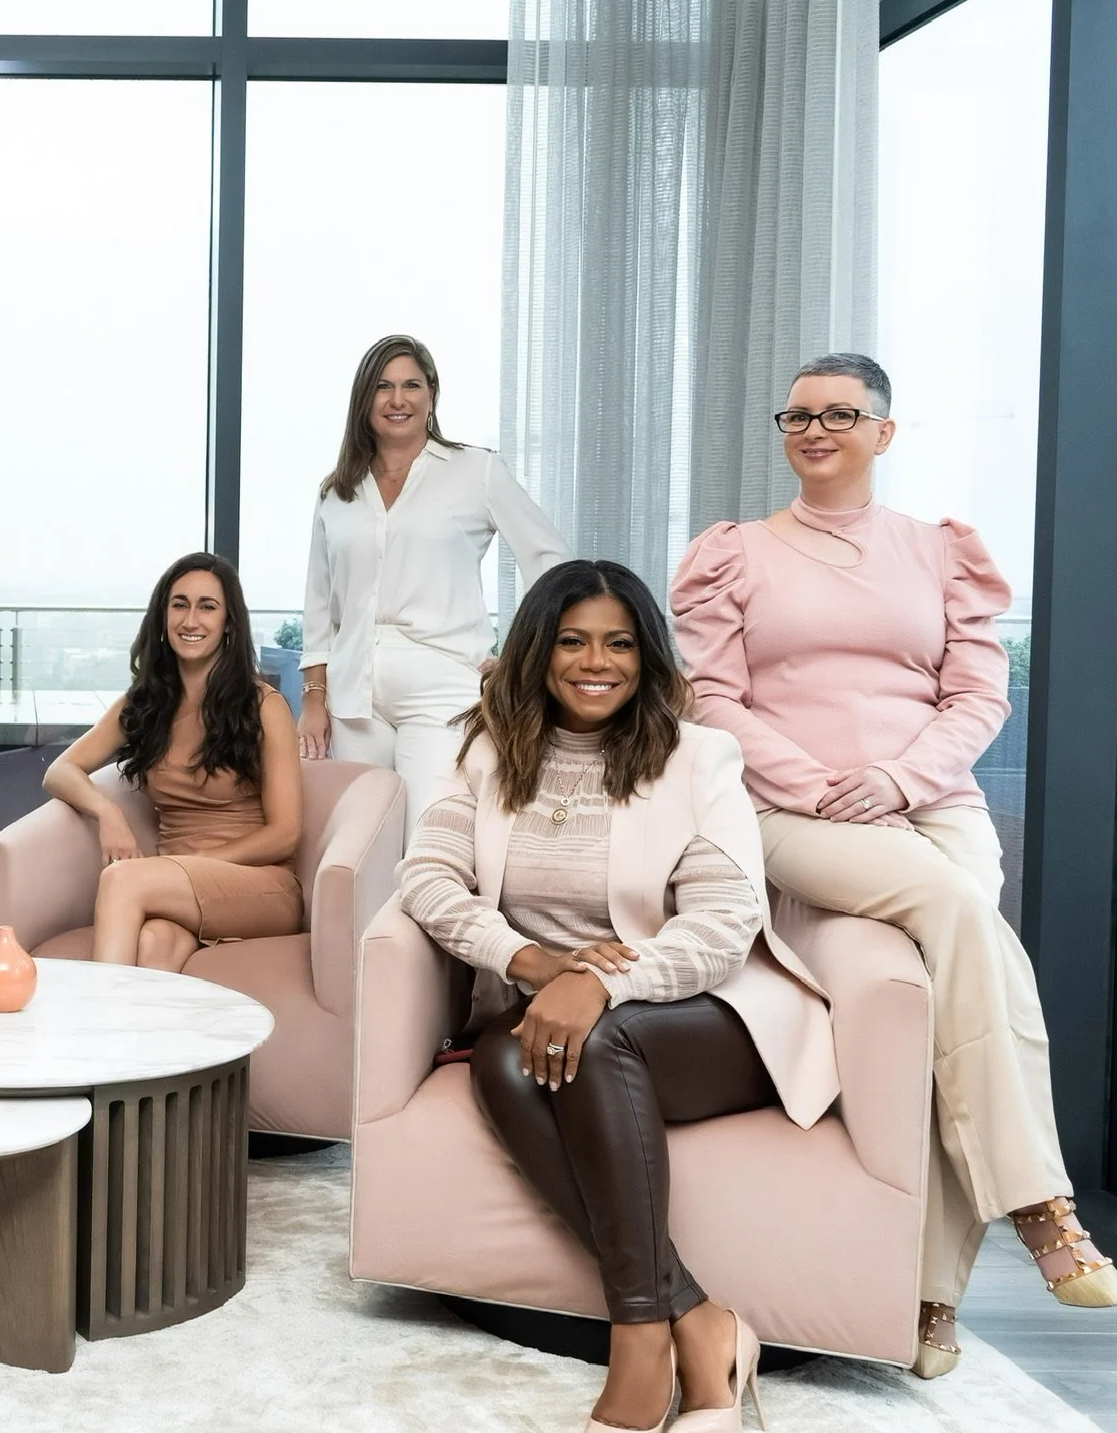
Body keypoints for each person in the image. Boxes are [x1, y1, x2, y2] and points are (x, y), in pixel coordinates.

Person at [671, 352, 1112, 1380]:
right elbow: (712, 700)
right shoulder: (735, 554)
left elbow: (978, 697)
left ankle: (928, 1298)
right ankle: (1043, 1214)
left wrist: (901, 781)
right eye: (796, 414)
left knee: (945, 989)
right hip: (793, 808)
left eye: (839, 413)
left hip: (931, 804)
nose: (813, 428)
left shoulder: (940, 552)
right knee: (964, 920)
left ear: (884, 431)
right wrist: (826, 782)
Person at [399, 559, 833, 1433]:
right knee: (503, 1056)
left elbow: (723, 923)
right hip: (553, 1007)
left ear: (646, 655)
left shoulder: (699, 755)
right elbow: (428, 881)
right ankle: (698, 1321)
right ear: (537, 651)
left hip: (712, 1020)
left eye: (619, 642)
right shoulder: (483, 751)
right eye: (571, 640)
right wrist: (534, 965)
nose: (595, 661)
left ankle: (639, 1340)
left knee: (591, 1040)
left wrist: (601, 980)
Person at [299, 333, 569, 815]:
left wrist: (521, 655)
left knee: (430, 831)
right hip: (352, 693)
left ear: (431, 394)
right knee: (361, 842)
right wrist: (315, 701)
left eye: (411, 385)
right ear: (364, 399)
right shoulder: (336, 491)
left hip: (442, 684)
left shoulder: (476, 471)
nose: (397, 399)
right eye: (383, 386)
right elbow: (320, 609)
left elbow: (552, 565)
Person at [45, 554, 301, 972]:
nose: (191, 620)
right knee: (151, 947)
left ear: (229, 622)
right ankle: (132, 1039)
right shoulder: (146, 704)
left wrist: (184, 866)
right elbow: (61, 770)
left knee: (121, 879)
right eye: (179, 604)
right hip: (177, 886)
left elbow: (285, 835)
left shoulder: (263, 705)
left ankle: (88, 1030)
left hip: (260, 883)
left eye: (207, 606)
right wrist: (107, 813)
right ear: (163, 616)